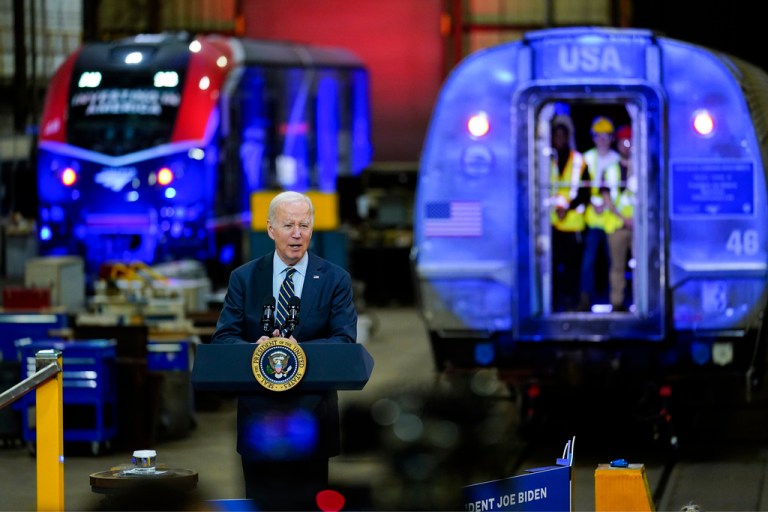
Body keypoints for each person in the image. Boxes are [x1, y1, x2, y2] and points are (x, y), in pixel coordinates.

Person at [211, 190, 358, 510]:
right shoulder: (244, 278)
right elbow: (224, 339)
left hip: (312, 412)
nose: (297, 234)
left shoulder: (335, 279)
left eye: (304, 225)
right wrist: (255, 350)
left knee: (312, 502)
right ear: (270, 229)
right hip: (258, 413)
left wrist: (298, 351)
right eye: (288, 225)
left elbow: (344, 342)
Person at [578, 116, 621, 311]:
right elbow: (579, 187)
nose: (602, 140)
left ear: (611, 138)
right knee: (589, 260)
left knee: (614, 262)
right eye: (598, 136)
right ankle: (585, 298)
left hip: (612, 219)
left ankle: (615, 300)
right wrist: (592, 202)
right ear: (593, 138)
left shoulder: (618, 160)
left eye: (606, 136)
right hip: (592, 219)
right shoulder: (585, 158)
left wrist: (609, 205)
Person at [549, 115, 590, 312]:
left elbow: (585, 192)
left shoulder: (578, 161)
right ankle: (553, 301)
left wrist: (568, 208)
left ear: (567, 137)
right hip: (550, 224)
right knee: (551, 267)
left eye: (562, 135)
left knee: (573, 268)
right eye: (556, 135)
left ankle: (571, 300)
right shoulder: (544, 159)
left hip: (573, 224)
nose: (559, 139)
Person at [601, 124, 635, 311]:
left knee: (642, 266)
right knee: (617, 267)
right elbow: (606, 197)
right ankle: (617, 302)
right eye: (624, 142)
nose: (627, 146)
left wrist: (636, 220)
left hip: (640, 227)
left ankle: (643, 301)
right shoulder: (610, 169)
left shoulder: (642, 168)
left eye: (630, 141)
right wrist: (623, 218)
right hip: (617, 226)